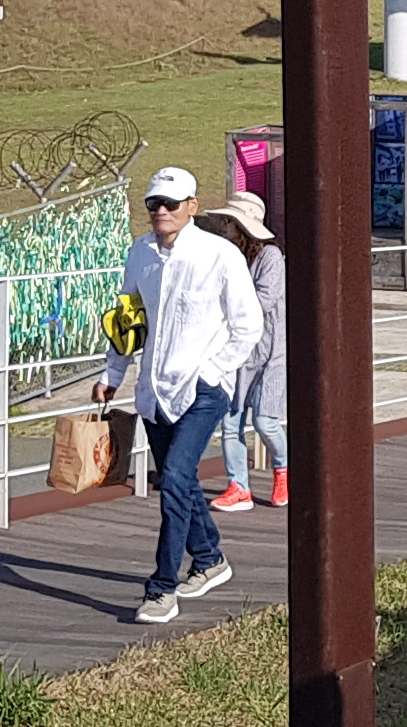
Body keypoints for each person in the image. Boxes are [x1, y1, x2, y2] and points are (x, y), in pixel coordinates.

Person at [99, 165, 261, 624]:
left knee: (172, 478)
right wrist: (113, 373)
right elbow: (128, 320)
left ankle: (162, 588)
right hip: (155, 388)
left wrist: (213, 370)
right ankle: (209, 558)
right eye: (153, 203)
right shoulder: (141, 253)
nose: (161, 211)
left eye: (170, 204)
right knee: (181, 480)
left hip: (204, 388)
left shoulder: (219, 254)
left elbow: (249, 325)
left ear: (192, 206)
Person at [203, 190, 289, 511]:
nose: (223, 228)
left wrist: (227, 305)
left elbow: (264, 300)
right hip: (235, 351)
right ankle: (239, 487)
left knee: (266, 422)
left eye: (228, 222)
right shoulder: (227, 256)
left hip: (269, 353)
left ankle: (283, 470)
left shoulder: (270, 257)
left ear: (242, 226)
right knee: (230, 422)